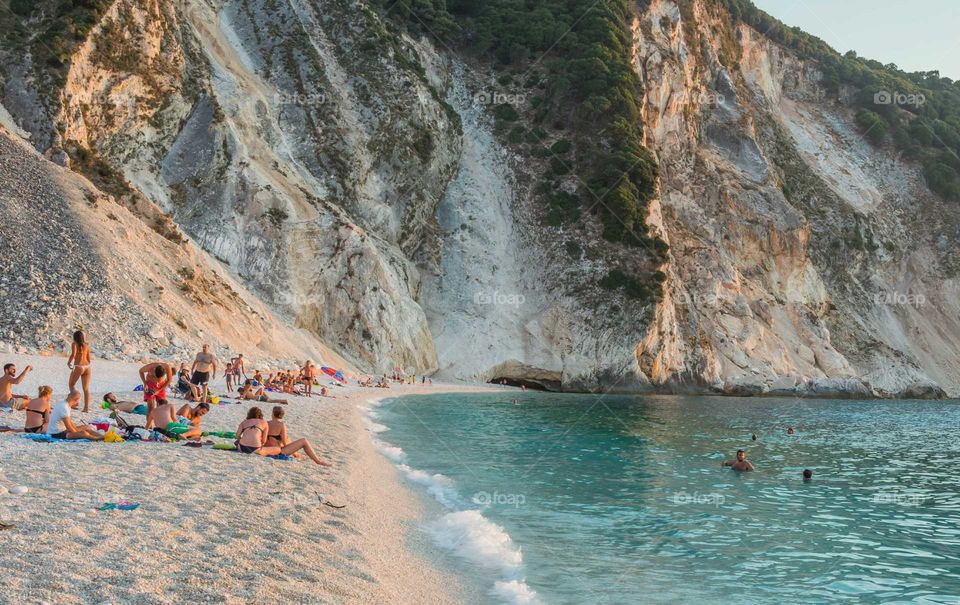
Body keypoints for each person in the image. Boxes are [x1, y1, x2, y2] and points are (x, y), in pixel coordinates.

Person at [236, 406, 329, 465]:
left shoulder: (260, 423)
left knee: (285, 441)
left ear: (272, 414)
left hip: (250, 447)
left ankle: (298, 454)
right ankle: (318, 461)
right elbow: (283, 443)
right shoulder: (278, 425)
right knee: (300, 441)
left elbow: (240, 436)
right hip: (265, 450)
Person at [139, 362, 173, 428]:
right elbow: (140, 371)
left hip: (161, 385)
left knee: (162, 406)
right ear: (154, 370)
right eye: (154, 376)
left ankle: (161, 425)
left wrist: (158, 390)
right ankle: (150, 426)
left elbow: (169, 380)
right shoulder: (151, 366)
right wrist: (145, 384)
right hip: (150, 385)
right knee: (151, 406)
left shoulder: (167, 367)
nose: (156, 379)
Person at [67, 329, 93, 412]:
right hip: (87, 367)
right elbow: (89, 358)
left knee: (71, 384)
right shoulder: (87, 344)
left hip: (78, 366)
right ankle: (86, 408)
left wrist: (69, 362)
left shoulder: (74, 344)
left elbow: (73, 354)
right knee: (86, 389)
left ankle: (75, 403)